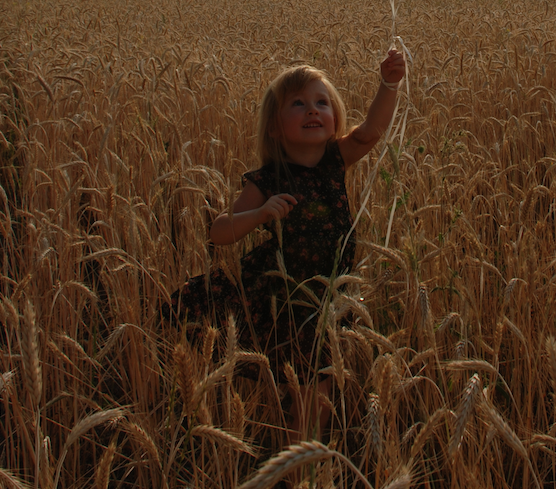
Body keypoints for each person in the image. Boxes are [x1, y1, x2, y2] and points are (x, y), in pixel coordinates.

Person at [168, 47, 406, 443]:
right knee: (301, 387)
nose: (313, 110)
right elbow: (220, 231)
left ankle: (300, 469)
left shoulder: (335, 159)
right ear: (275, 127)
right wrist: (260, 215)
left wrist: (389, 83)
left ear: (334, 119)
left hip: (328, 295)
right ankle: (295, 468)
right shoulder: (267, 179)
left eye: (322, 103)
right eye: (298, 104)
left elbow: (370, 132)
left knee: (318, 393)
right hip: (283, 297)